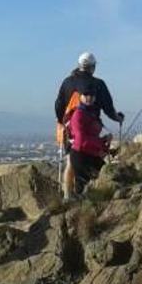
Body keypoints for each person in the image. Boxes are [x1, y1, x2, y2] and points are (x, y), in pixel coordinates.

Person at [54, 52, 123, 199]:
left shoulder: (67, 82)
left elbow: (58, 104)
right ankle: (86, 195)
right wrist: (118, 118)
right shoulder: (97, 84)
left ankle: (67, 195)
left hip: (68, 129)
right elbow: (108, 108)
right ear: (92, 67)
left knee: (70, 161)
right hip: (89, 128)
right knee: (87, 160)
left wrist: (61, 121)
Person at [68, 85, 111, 196]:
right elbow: (81, 139)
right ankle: (79, 209)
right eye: (86, 95)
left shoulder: (91, 113)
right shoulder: (78, 115)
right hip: (80, 155)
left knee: (107, 175)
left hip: (90, 154)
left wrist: (104, 141)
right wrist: (100, 148)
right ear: (81, 97)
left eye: (92, 95)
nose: (89, 97)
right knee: (83, 187)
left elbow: (91, 137)